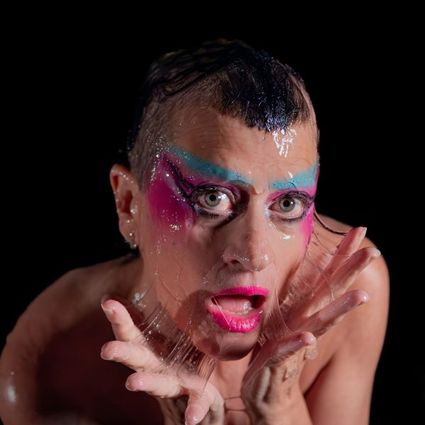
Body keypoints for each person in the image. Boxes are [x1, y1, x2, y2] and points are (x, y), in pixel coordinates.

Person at [0, 39, 389, 425]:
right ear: (128, 204)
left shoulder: (347, 298)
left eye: (287, 204)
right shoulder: (55, 355)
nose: (255, 254)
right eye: (212, 198)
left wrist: (279, 407)